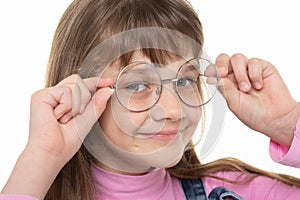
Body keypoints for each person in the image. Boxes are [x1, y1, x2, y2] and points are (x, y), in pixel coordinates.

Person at [1, 0, 300, 199]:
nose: (173, 110)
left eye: (184, 80)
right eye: (139, 84)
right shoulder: (32, 189)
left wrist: (287, 123)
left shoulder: (232, 190)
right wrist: (43, 157)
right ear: (81, 91)